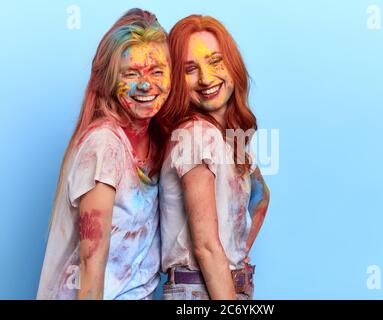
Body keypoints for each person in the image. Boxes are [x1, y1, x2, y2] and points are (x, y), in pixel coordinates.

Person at [37, 8, 171, 300]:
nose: (146, 84)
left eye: (157, 71)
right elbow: (91, 266)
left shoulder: (159, 143)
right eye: (131, 73)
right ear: (111, 80)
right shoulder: (105, 146)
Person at [158, 15, 270, 300]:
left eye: (215, 61)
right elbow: (205, 246)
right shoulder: (196, 134)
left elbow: (261, 197)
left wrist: (238, 255)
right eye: (190, 68)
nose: (206, 78)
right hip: (198, 291)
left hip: (226, 286)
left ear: (232, 64)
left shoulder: (231, 140)